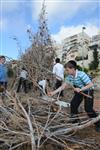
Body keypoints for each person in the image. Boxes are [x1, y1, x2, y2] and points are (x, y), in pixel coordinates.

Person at [48, 60, 100, 132]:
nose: (66, 72)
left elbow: (90, 85)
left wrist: (81, 89)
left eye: (67, 70)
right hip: (79, 90)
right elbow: (63, 86)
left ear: (72, 68)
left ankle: (98, 124)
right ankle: (75, 122)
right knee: (73, 105)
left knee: (88, 109)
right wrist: (53, 92)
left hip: (88, 90)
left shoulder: (81, 74)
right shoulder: (70, 77)